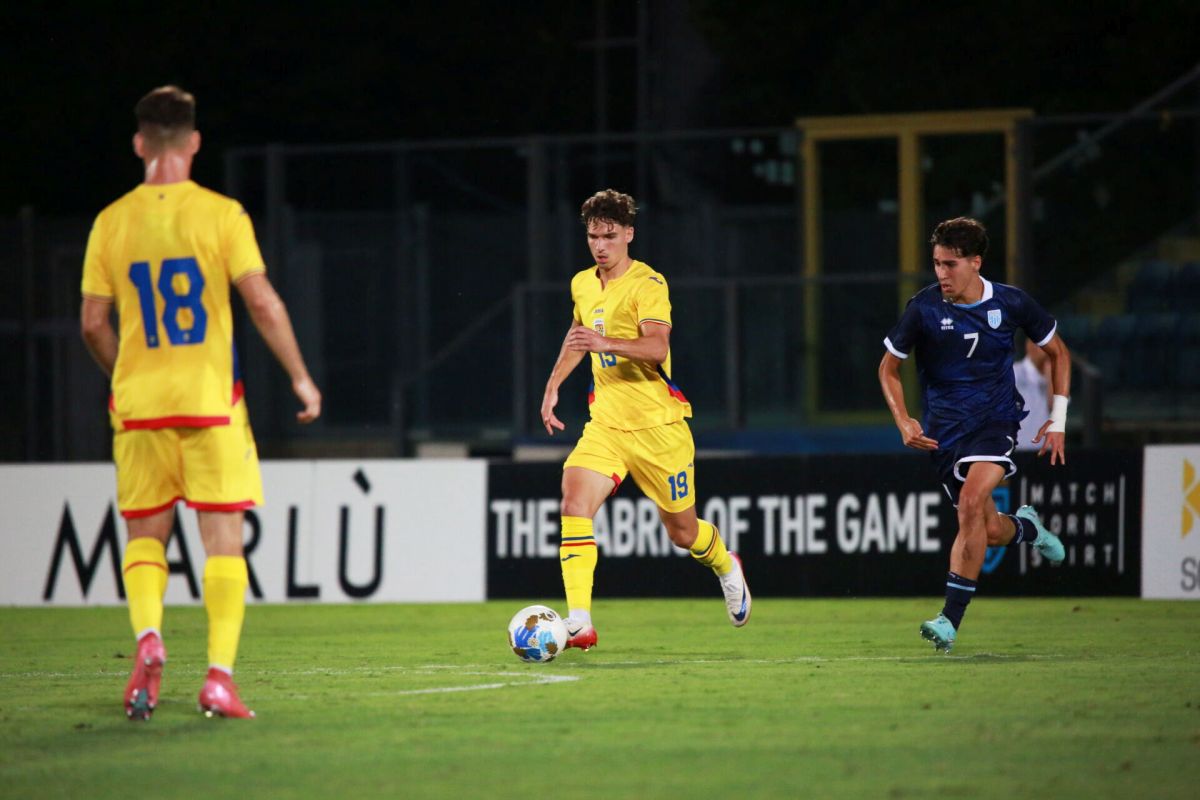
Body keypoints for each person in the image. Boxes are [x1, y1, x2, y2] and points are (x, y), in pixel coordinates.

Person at [80, 86, 322, 719]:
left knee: (145, 539)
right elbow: (262, 302)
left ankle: (149, 637)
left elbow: (91, 323)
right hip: (212, 405)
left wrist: (123, 374)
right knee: (224, 545)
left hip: (139, 406)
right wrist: (300, 377)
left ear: (139, 144)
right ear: (193, 143)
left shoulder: (110, 221)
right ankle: (218, 677)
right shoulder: (222, 214)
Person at [540, 189, 750, 650]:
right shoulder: (582, 283)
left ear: (629, 234)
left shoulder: (649, 285)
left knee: (684, 533)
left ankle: (724, 564)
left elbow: (657, 348)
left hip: (659, 428)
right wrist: (554, 384)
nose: (600, 245)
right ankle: (580, 622)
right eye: (593, 236)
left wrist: (607, 343)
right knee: (574, 503)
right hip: (606, 425)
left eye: (610, 236)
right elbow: (577, 336)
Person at [877, 217, 1070, 653]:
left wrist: (1057, 420)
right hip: (945, 434)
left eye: (950, 264)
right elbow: (888, 369)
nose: (941, 274)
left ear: (975, 262)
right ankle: (1027, 529)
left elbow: (1059, 353)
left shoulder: (1012, 303)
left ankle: (949, 620)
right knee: (988, 527)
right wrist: (904, 420)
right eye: (936, 264)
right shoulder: (923, 308)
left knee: (969, 503)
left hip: (996, 422)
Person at [1013, 337, 1053, 451]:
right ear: (1029, 346)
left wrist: (1051, 375)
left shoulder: (1056, 377)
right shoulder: (1014, 373)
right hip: (1019, 452)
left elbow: (1055, 408)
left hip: (1047, 453)